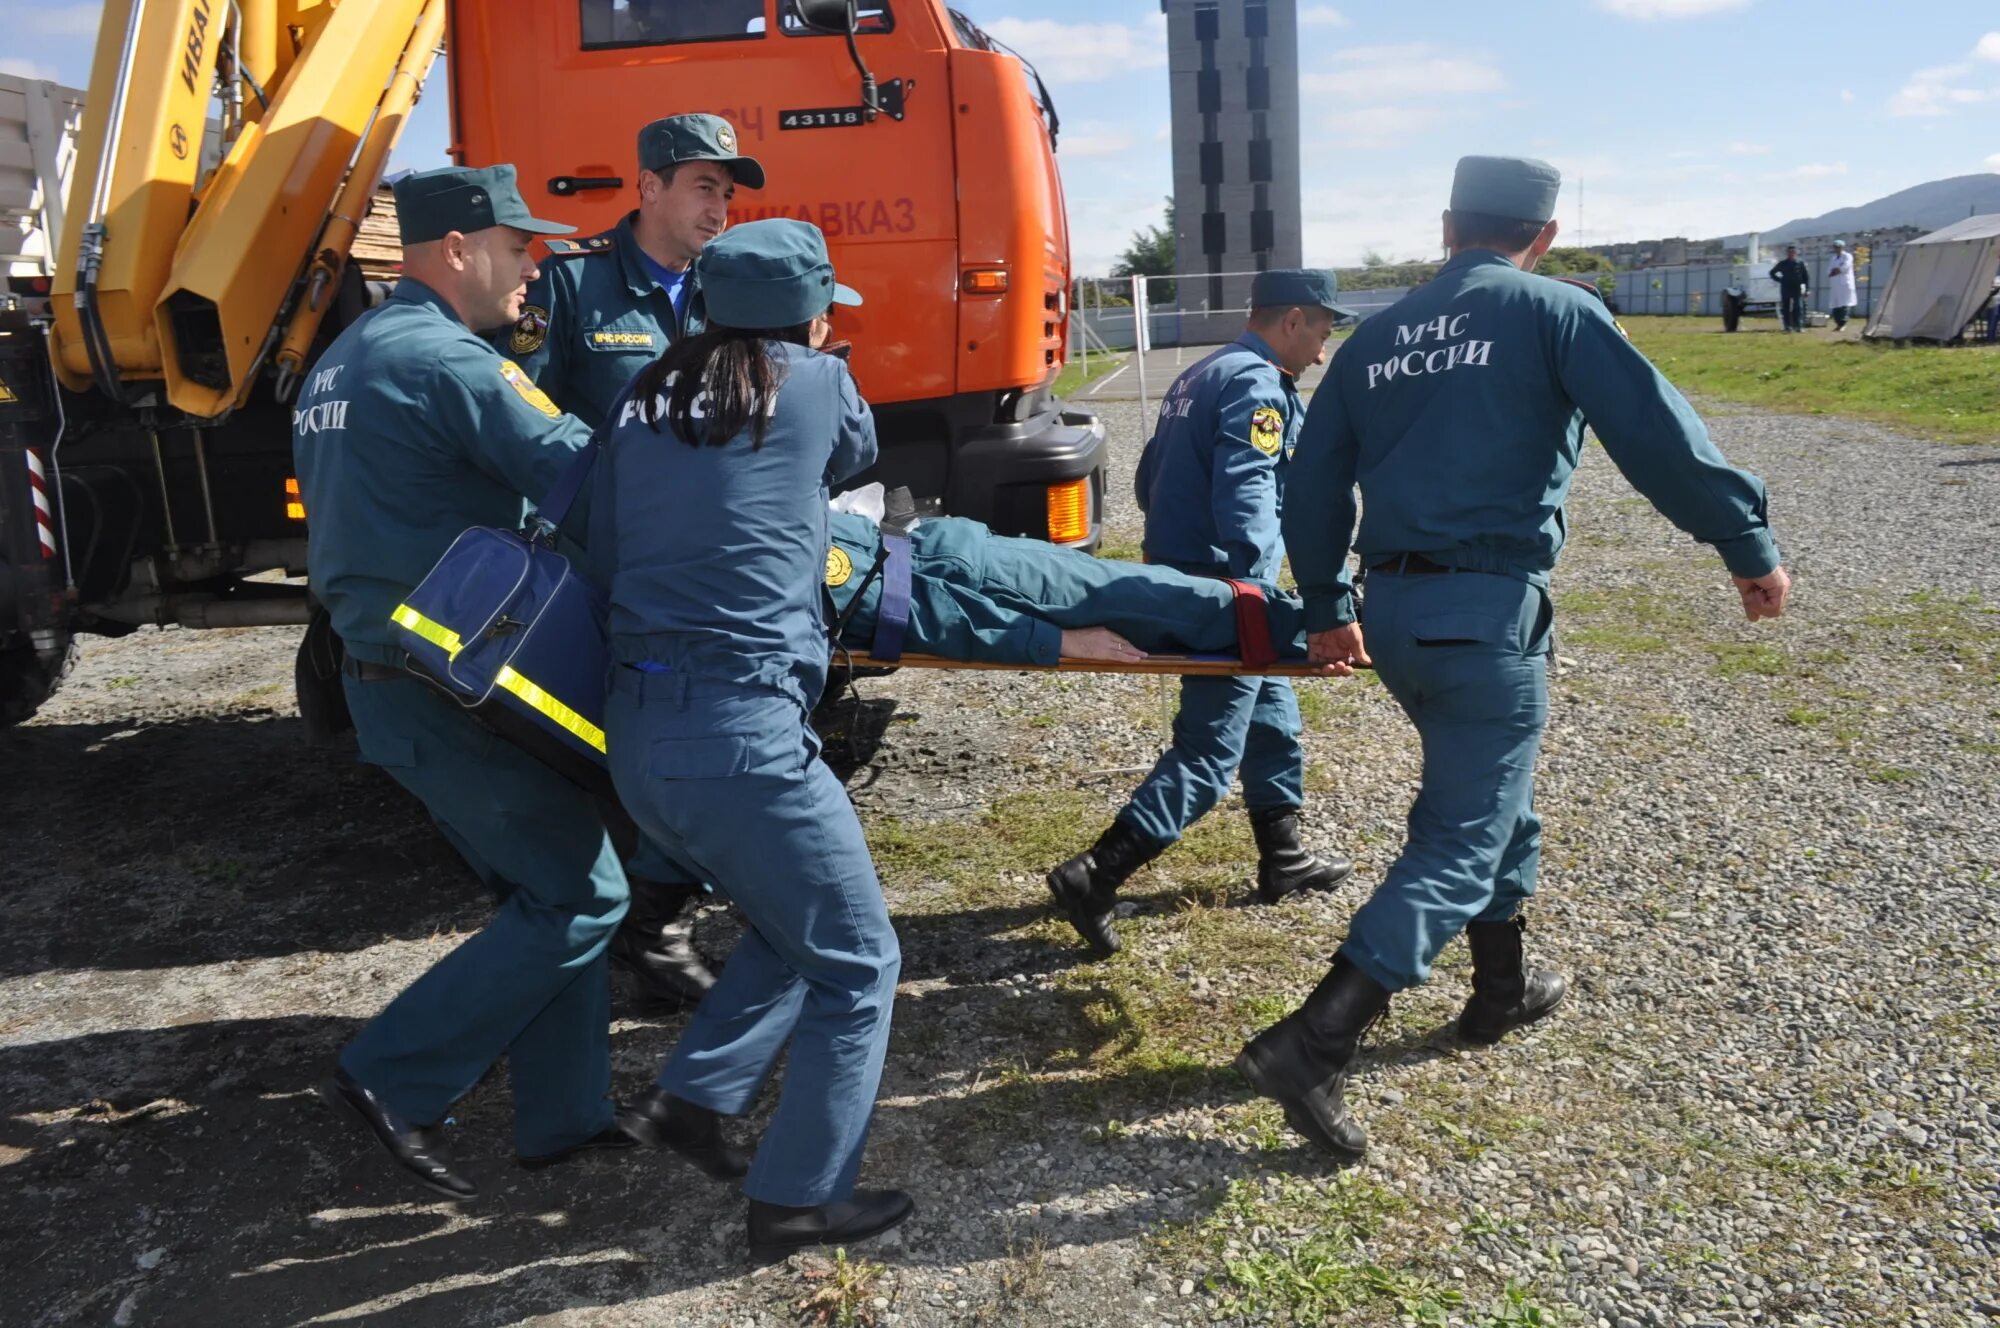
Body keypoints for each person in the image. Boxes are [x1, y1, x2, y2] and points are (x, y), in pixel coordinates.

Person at [1238, 154, 1791, 1162]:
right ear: (1538, 237)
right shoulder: (1552, 311)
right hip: (1483, 611)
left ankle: (1499, 988)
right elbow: (1656, 436)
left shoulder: (1373, 341)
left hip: (1394, 612)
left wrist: (1324, 607)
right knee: (1457, 834)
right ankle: (1312, 1042)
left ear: (1446, 224)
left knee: (1493, 797)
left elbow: (1308, 490)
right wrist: (1743, 545)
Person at [294, 165, 638, 1198]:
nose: (534, 268)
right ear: (457, 251)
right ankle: (390, 1073)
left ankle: (563, 1117)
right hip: (444, 683)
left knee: (547, 882)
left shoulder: (348, 357)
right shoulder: (447, 360)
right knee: (580, 893)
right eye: (519, 247)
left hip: (393, 678)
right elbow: (584, 474)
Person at [595, 219, 913, 1259]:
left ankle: (692, 1099)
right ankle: (796, 1201)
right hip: (739, 734)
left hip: (639, 736)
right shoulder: (815, 381)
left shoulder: (640, 391)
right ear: (809, 312)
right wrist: (825, 361)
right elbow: (858, 454)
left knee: (796, 921)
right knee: (859, 959)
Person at [496, 112, 767, 1009]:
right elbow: (523, 423)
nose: (718, 208)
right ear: (648, 187)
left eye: (726, 192)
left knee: (700, 732)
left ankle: (654, 912)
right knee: (619, 747)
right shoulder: (573, 286)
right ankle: (629, 926)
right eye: (703, 187)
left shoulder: (730, 289)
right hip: (605, 566)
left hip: (705, 562)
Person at [1044, 271, 1359, 957]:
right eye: (1323, 331)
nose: (1323, 350)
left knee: (1273, 713)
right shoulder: (1254, 383)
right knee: (1212, 749)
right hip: (1230, 586)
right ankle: (1098, 872)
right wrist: (1252, 589)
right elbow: (1247, 491)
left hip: (1196, 574)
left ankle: (1285, 857)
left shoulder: (1204, 371)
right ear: (1293, 320)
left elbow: (1150, 474)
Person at [823, 509, 1318, 663]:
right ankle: (1310, 626)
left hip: (949, 556)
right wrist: (1058, 641)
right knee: (1148, 599)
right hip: (963, 577)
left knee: (1140, 589)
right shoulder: (765, 534)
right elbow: (901, 608)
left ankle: (1308, 619)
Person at [1770, 243, 1810, 332]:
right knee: (1786, 308)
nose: (1791, 253)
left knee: (1798, 308)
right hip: (1786, 287)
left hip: (1796, 288)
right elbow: (1772, 273)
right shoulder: (1783, 263)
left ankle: (1798, 326)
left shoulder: (1800, 263)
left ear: (1796, 253)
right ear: (1787, 253)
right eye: (1790, 252)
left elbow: (1806, 277)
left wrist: (1807, 289)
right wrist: (1780, 280)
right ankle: (1787, 327)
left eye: (1793, 252)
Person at [1825, 240, 1858, 331]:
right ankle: (1838, 323)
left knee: (1844, 304)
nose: (1837, 249)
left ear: (1842, 247)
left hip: (1844, 284)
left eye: (1839, 247)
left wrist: (1836, 270)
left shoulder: (1847, 256)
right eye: (1835, 247)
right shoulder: (1833, 258)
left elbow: (1844, 268)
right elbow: (1829, 271)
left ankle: (1843, 323)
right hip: (1835, 284)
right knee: (1836, 304)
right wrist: (1834, 271)